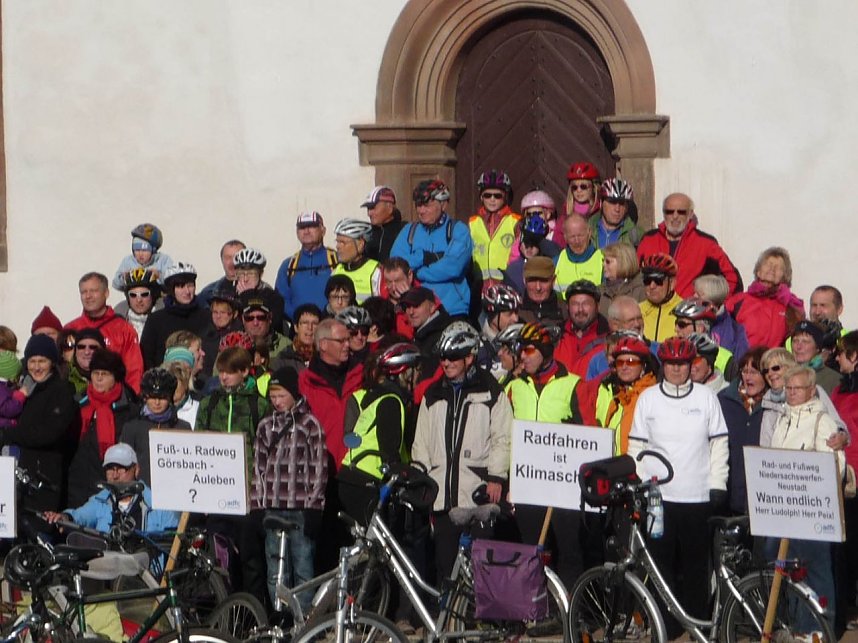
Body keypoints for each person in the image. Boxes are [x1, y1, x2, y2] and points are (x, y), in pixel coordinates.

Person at [627, 337, 729, 637]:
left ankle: (698, 626)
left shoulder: (706, 397)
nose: (676, 369)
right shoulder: (648, 399)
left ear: (691, 365)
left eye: (682, 364)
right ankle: (666, 627)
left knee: (696, 567)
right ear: (663, 365)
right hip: (658, 499)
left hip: (697, 497)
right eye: (671, 364)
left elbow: (719, 443)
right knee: (661, 566)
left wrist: (717, 483)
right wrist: (638, 484)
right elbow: (637, 446)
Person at [412, 321, 511, 578]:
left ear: (469, 357)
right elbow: (421, 443)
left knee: (480, 570)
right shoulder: (433, 394)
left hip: (478, 492)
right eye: (443, 357)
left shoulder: (491, 390)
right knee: (446, 568)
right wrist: (422, 480)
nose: (446, 363)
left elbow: (502, 437)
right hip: (442, 496)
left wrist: (496, 477)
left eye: (453, 357)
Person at [504, 322, 583, 589]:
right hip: (528, 482)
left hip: (563, 484)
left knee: (569, 549)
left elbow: (587, 434)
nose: (522, 356)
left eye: (529, 350)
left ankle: (571, 605)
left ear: (546, 351)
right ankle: (536, 605)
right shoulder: (514, 386)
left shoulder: (572, 384)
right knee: (532, 549)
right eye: (520, 350)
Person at [766, 365, 842, 634]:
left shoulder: (823, 421)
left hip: (812, 513)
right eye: (788, 388)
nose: (791, 393)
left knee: (816, 573)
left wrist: (805, 483)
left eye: (797, 388)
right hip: (784, 511)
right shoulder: (783, 418)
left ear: (811, 390)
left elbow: (835, 465)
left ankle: (819, 631)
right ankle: (796, 628)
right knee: (788, 572)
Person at [251, 366, 327, 611]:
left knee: (303, 566)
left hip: (301, 507)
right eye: (273, 396)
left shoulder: (310, 424)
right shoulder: (265, 426)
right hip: (273, 506)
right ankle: (279, 614)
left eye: (282, 395)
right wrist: (257, 505)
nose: (277, 401)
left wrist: (315, 506)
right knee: (276, 567)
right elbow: (258, 468)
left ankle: (302, 618)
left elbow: (319, 468)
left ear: (294, 393)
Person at [339, 343, 421, 525]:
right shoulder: (391, 401)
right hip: (366, 479)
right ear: (406, 373)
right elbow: (389, 448)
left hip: (351, 474)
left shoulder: (376, 396)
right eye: (417, 371)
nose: (418, 377)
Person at [0, 335, 79, 511]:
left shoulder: (61, 391)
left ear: (52, 362)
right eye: (32, 361)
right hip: (15, 473)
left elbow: (47, 433)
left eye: (42, 361)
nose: (36, 367)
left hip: (43, 477)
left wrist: (7, 433)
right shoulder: (23, 390)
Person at [390, 179, 473, 318]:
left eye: (427, 205)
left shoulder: (458, 230)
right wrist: (422, 257)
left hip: (452, 310)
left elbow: (452, 267)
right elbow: (395, 265)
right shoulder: (409, 231)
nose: (421, 211)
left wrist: (416, 273)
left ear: (443, 204)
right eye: (418, 205)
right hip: (416, 311)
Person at [68, 348, 140, 507]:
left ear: (115, 377)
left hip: (111, 487)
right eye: (96, 373)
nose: (99, 378)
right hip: (78, 486)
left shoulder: (129, 410)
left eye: (105, 374)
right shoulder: (78, 404)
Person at [637, 192, 742, 298]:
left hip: (687, 307)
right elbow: (633, 274)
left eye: (681, 212)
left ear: (690, 214)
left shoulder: (706, 243)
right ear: (664, 214)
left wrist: (719, 304)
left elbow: (733, 279)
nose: (675, 216)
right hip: (651, 306)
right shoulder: (648, 239)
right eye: (669, 212)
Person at [65, 272, 144, 393]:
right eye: (84, 292)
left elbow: (134, 372)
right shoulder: (70, 329)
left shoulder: (124, 329)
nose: (88, 296)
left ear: (106, 293)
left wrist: (131, 399)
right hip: (76, 397)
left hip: (114, 398)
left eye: (93, 291)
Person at [759, 347, 847, 450]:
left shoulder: (812, 391)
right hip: (776, 459)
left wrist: (841, 436)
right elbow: (765, 444)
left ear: (789, 368)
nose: (770, 374)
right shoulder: (767, 401)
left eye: (775, 368)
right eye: (766, 371)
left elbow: (836, 423)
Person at [120, 368, 191, 485]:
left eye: (162, 398)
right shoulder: (132, 427)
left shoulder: (183, 428)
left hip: (174, 487)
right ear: (145, 397)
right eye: (152, 397)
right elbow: (125, 465)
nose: (157, 402)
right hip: (141, 489)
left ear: (170, 398)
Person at [719, 347, 768, 516]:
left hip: (762, 495)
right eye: (744, 371)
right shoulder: (723, 400)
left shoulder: (774, 404)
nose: (748, 377)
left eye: (754, 372)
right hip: (729, 491)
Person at [587, 334, 657, 454]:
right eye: (619, 362)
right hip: (612, 462)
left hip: (638, 464)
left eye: (631, 362)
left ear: (643, 366)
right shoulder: (616, 396)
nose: (624, 367)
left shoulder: (652, 397)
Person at [726, 246, 804, 348]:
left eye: (778, 267)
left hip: (774, 357)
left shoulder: (790, 305)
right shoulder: (738, 300)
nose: (772, 269)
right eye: (768, 264)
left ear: (785, 275)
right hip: (742, 357)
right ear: (758, 271)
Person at [140, 262, 209, 370]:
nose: (187, 291)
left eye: (190, 285)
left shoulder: (206, 316)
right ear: (171, 290)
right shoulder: (156, 320)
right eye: (180, 286)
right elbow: (147, 357)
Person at [275, 212, 337, 321]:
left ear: (323, 230)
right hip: (299, 327)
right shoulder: (288, 265)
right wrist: (300, 319)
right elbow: (281, 300)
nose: (306, 231)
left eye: (312, 226)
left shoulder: (336, 261)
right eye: (302, 227)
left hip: (330, 325)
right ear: (297, 232)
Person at [469, 170, 520, 284]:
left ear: (505, 197)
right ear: (481, 197)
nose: (492, 199)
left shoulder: (515, 222)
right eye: (487, 195)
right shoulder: (472, 223)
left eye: (497, 196)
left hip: (506, 284)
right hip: (478, 285)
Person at [581, 296, 649, 381]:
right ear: (614, 325)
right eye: (631, 320)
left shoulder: (656, 351)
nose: (637, 324)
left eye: (639, 318)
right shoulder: (598, 361)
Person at [672, 298, 735, 379]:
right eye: (676, 323)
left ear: (700, 328)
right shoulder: (672, 354)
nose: (676, 329)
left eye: (681, 324)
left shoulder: (725, 359)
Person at [555, 280, 609, 374]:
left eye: (586, 304)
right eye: (575, 304)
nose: (580, 309)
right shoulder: (556, 337)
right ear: (567, 306)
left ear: (597, 306)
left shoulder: (608, 338)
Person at [693, 274, 749, 361]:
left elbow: (740, 360)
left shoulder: (735, 330)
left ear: (712, 299)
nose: (694, 296)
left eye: (699, 294)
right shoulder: (690, 322)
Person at [503, 212, 560, 295]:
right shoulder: (512, 270)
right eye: (526, 242)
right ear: (520, 240)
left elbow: (557, 253)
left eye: (534, 243)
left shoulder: (549, 265)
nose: (529, 248)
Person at [232, 248, 286, 333]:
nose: (245, 279)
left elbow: (273, 324)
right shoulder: (231, 295)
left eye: (251, 273)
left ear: (260, 274)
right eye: (241, 274)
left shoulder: (273, 297)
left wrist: (248, 296)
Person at [331, 218, 380, 305]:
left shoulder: (375, 271)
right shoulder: (336, 271)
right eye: (337, 242)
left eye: (343, 242)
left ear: (360, 244)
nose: (338, 246)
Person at [112, 224, 173, 291]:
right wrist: (123, 278)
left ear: (154, 250)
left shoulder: (163, 260)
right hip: (134, 296)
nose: (140, 254)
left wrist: (159, 276)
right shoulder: (128, 261)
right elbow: (115, 285)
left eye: (145, 250)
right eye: (137, 250)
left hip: (158, 295)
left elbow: (172, 283)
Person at [553, 214, 603, 296]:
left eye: (580, 235)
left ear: (589, 233)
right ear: (565, 237)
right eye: (572, 237)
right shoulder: (556, 262)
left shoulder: (603, 260)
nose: (577, 241)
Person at [639, 253, 683, 342]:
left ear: (672, 283)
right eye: (647, 280)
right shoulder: (637, 311)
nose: (652, 286)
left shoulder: (683, 311)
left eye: (658, 280)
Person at [589, 178, 643, 249]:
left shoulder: (637, 234)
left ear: (627, 207)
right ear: (601, 203)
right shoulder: (586, 229)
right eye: (612, 202)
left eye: (622, 203)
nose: (617, 209)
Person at [789, 320, 841, 394]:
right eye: (795, 341)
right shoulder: (784, 374)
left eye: (805, 342)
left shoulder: (834, 380)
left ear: (817, 348)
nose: (798, 347)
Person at [240, 296, 291, 370]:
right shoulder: (231, 344)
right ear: (243, 319)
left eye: (261, 317)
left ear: (270, 318)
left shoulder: (286, 346)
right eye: (249, 318)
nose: (255, 323)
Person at [200, 290, 243, 376]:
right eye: (215, 312)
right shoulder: (205, 336)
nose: (218, 316)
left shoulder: (241, 338)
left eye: (223, 312)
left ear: (234, 314)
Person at [517, 256, 567, 328]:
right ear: (524, 280)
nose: (538, 288)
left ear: (553, 281)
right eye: (533, 280)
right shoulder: (514, 311)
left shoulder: (566, 311)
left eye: (543, 281)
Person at [598, 241, 645, 317]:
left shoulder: (641, 290)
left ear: (622, 262)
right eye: (603, 261)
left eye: (608, 262)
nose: (603, 265)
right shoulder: (600, 291)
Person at [115, 268, 163, 340]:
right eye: (133, 295)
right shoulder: (117, 317)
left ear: (153, 295)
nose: (139, 300)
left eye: (144, 294)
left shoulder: (165, 319)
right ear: (127, 297)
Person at [362, 186, 405, 262]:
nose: (369, 213)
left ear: (389, 208)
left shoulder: (405, 231)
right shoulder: (367, 234)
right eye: (368, 209)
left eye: (373, 208)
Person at [198, 239, 246, 305]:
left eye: (237, 257)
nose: (232, 262)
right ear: (222, 260)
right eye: (228, 257)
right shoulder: (209, 294)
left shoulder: (258, 291)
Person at [381, 257, 418, 339]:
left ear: (410, 276)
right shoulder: (382, 303)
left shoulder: (424, 298)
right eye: (389, 282)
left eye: (398, 281)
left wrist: (408, 299)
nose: (394, 288)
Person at [277, 303, 321, 373]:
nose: (310, 328)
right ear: (296, 327)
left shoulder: (326, 357)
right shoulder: (284, 358)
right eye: (305, 323)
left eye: (315, 323)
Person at [561, 161, 601, 235]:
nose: (579, 190)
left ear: (593, 188)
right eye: (574, 187)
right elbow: (558, 236)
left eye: (583, 186)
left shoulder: (599, 211)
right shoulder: (567, 211)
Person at [66, 329, 106, 397]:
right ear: (75, 351)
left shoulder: (114, 379)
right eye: (81, 347)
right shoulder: (63, 376)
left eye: (93, 347)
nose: (87, 352)